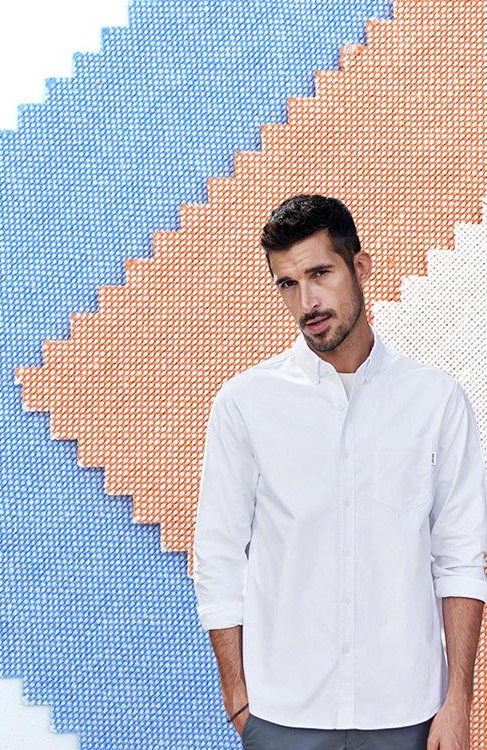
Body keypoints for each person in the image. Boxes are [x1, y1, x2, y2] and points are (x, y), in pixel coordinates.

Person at [192, 194, 487, 749]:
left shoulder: (437, 402)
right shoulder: (245, 404)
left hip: (408, 711)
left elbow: (460, 560)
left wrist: (457, 703)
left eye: (320, 273)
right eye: (287, 283)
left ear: (360, 267)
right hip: (283, 715)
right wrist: (238, 699)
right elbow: (218, 555)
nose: (307, 301)